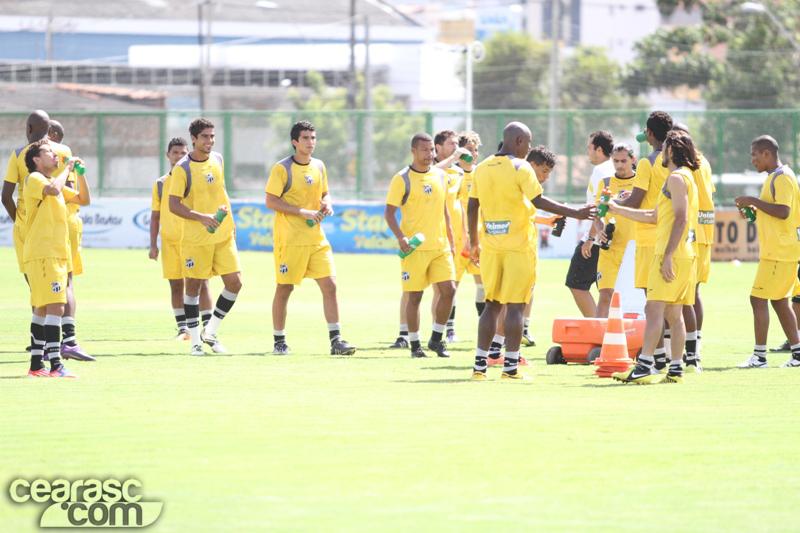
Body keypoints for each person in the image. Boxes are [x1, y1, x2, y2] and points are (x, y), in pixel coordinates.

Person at [468, 122, 595, 380]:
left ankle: (479, 368)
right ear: (518, 141)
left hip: (491, 247)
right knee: (516, 306)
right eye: (527, 142)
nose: (528, 148)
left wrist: (473, 242)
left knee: (491, 305)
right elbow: (538, 199)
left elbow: (472, 206)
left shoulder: (481, 168)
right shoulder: (521, 166)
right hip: (518, 248)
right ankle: (511, 369)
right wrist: (575, 212)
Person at [607, 129, 699, 384]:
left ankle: (645, 366)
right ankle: (677, 370)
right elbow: (654, 217)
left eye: (664, 147)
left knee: (653, 307)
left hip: (673, 254)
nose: (659, 152)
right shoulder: (681, 177)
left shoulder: (677, 178)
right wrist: (618, 209)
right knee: (673, 313)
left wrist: (667, 255)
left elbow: (681, 218)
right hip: (683, 254)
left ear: (671, 150)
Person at [265, 120, 356, 356]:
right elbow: (270, 201)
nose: (310, 142)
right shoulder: (282, 168)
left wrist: (327, 203)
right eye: (305, 138)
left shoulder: (319, 166)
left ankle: (336, 341)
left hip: (316, 239)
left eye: (313, 138)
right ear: (295, 142)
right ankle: (279, 342)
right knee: (284, 289)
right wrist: (300, 211)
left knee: (330, 285)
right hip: (290, 240)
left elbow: (325, 193)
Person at [169, 118, 242, 356]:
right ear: (194, 138)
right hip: (195, 239)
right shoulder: (182, 168)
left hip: (222, 235)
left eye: (212, 136)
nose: (209, 141)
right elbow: (173, 205)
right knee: (193, 287)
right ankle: (195, 344)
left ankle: (209, 331)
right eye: (204, 137)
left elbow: (221, 192)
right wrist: (200, 217)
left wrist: (230, 224)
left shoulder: (218, 159)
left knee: (235, 283)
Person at [485, 145, 561, 367]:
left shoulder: (522, 183)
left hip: (518, 249)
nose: (546, 177)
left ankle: (496, 350)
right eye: (544, 171)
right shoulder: (519, 179)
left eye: (549, 173)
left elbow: (524, 213)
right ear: (532, 165)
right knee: (510, 304)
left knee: (509, 303)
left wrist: (546, 221)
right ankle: (503, 354)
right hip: (513, 250)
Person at [22, 139, 90, 377]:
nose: (54, 154)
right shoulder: (35, 179)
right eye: (48, 152)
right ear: (36, 161)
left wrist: (80, 174)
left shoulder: (54, 181)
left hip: (55, 253)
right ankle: (56, 365)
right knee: (56, 306)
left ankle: (36, 366)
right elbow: (52, 191)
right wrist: (68, 169)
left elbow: (83, 199)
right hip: (44, 253)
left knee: (42, 308)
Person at [385, 132, 456, 358]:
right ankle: (415, 345)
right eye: (425, 150)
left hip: (440, 247)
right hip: (414, 249)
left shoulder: (440, 175)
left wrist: (451, 240)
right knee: (415, 297)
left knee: (449, 290)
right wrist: (401, 236)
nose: (430, 154)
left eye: (432, 150)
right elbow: (389, 213)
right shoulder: (402, 178)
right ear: (413, 151)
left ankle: (436, 339)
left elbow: (444, 210)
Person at [735, 136, 800, 369]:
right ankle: (798, 353)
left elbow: (783, 211)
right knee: (780, 302)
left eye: (754, 155)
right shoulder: (775, 176)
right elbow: (775, 211)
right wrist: (754, 209)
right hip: (780, 250)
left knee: (758, 298)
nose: (752, 160)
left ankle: (760, 357)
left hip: (779, 251)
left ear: (766, 153)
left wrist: (752, 199)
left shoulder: (782, 177)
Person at [617, 110, 673, 370]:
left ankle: (654, 359)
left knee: (652, 303)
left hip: (649, 238)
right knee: (673, 305)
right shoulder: (679, 162)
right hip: (672, 236)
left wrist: (614, 203)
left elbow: (636, 201)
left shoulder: (648, 163)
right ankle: (677, 361)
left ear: (649, 134)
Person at [149, 138, 214, 340]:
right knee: (176, 285)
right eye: (175, 152)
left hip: (194, 240)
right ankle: (183, 329)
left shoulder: (195, 177)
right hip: (171, 243)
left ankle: (208, 328)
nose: (179, 156)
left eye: (182, 153)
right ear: (168, 155)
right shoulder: (160, 184)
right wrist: (153, 244)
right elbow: (155, 215)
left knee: (202, 284)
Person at [47, 119, 94, 361]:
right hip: (72, 220)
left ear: (51, 135)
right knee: (66, 282)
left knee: (52, 283)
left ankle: (54, 340)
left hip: (56, 223)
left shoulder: (56, 153)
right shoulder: (69, 156)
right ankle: (63, 339)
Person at [671, 123, 714, 372]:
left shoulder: (688, 164)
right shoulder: (703, 161)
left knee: (686, 295)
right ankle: (693, 346)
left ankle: (691, 353)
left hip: (692, 234)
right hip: (702, 232)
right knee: (691, 293)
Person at [565, 131, 615, 317]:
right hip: (617, 236)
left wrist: (591, 238)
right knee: (609, 290)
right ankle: (609, 328)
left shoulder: (600, 171)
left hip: (596, 238)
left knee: (576, 283)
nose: (587, 152)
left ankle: (598, 329)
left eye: (589, 148)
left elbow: (598, 206)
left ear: (599, 149)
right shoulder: (617, 168)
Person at [430, 129, 471, 342]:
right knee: (419, 289)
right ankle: (407, 334)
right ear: (439, 147)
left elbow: (461, 205)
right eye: (451, 144)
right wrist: (454, 158)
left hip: (454, 238)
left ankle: (442, 331)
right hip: (433, 235)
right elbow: (430, 175)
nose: (455, 147)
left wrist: (465, 236)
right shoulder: (428, 167)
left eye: (456, 143)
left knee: (448, 287)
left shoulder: (459, 172)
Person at [592, 144, 637, 318]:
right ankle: (598, 341)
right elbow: (598, 212)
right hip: (610, 250)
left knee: (639, 298)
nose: (619, 165)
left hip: (635, 250)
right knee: (605, 295)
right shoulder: (606, 182)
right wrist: (600, 229)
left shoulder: (641, 181)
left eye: (624, 161)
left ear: (633, 160)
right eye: (616, 161)